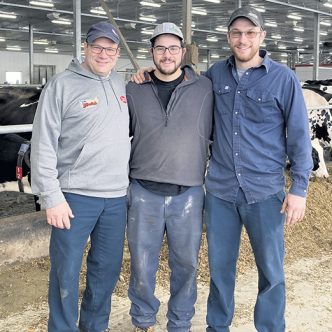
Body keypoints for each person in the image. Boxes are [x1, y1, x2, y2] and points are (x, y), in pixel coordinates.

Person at [203, 6, 313, 332]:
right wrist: (146, 75)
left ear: (262, 36)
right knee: (220, 270)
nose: (243, 39)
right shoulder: (214, 75)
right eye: (237, 33)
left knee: (271, 271)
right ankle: (217, 327)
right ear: (228, 37)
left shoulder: (283, 79)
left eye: (251, 33)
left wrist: (299, 189)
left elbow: (300, 136)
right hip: (221, 192)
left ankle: (269, 328)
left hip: (265, 193)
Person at [31, 21, 131, 332]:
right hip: (74, 197)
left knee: (106, 270)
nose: (104, 54)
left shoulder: (120, 85)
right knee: (66, 271)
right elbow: (43, 143)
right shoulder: (61, 85)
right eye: (98, 47)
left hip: (116, 197)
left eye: (110, 49)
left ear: (117, 53)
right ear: (85, 48)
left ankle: (94, 326)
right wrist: (51, 197)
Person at [126, 22, 213, 332]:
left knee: (186, 264)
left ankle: (179, 323)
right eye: (160, 48)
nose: (167, 54)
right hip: (143, 191)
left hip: (188, 192)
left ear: (183, 52)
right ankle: (143, 320)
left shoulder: (205, 87)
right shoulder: (133, 89)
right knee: (141, 263)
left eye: (173, 48)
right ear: (152, 53)